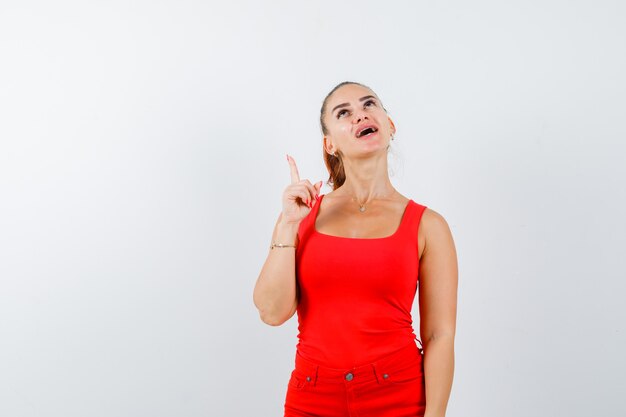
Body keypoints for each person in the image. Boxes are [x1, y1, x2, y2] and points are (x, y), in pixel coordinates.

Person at [253, 81, 458, 417]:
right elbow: (272, 312)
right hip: (312, 397)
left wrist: (434, 415)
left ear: (389, 125)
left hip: (399, 395)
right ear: (329, 144)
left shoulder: (428, 225)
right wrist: (287, 224)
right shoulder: (303, 214)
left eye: (369, 105)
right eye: (344, 112)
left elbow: (439, 335)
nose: (360, 115)